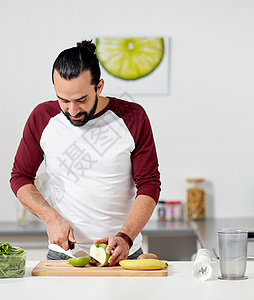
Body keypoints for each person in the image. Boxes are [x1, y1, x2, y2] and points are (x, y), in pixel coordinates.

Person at [10, 40, 160, 266]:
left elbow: (149, 183)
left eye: (81, 100)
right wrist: (50, 218)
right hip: (64, 256)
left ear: (98, 87)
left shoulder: (133, 117)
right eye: (63, 100)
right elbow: (20, 177)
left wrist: (125, 237)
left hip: (123, 254)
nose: (72, 110)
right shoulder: (41, 118)